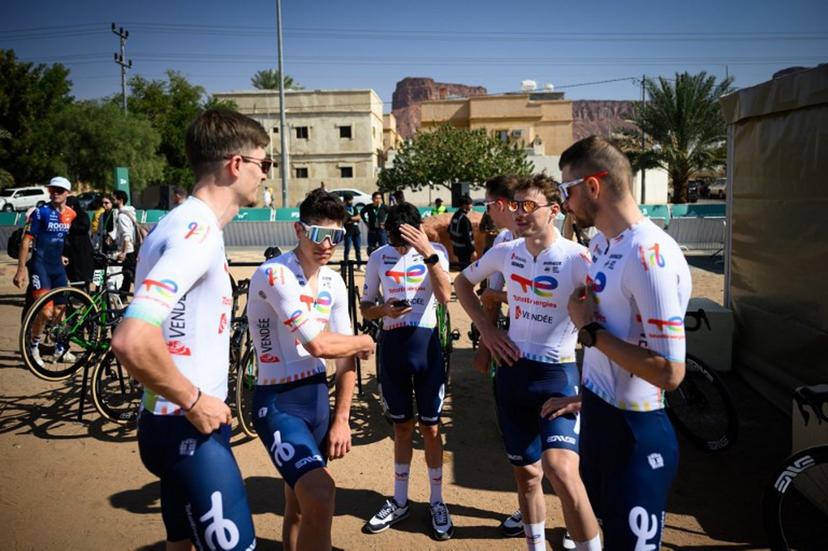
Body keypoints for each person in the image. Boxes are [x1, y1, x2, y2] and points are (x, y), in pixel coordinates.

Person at [111, 109, 272, 551]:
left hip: (163, 422)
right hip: (190, 427)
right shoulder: (196, 232)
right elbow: (131, 338)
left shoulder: (173, 223)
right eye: (265, 164)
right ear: (236, 164)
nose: (265, 176)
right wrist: (194, 400)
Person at [454, 175, 601, 551]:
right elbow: (461, 284)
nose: (519, 212)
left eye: (529, 205)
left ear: (554, 211)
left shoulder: (577, 258)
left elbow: (610, 322)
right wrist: (487, 332)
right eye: (516, 205)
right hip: (512, 376)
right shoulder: (506, 251)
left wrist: (590, 394)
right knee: (527, 476)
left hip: (557, 377)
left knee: (563, 472)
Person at [558, 136, 690, 549]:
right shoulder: (601, 244)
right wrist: (584, 396)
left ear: (593, 186)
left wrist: (590, 332)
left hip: (637, 430)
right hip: (600, 413)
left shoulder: (649, 254)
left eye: (567, 190)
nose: (565, 203)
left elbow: (670, 372)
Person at [247, 189, 375, 551]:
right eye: (319, 234)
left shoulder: (334, 282)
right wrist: (364, 342)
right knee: (320, 493)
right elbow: (319, 345)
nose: (328, 244)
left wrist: (342, 418)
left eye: (336, 236)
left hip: (317, 400)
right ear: (299, 230)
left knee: (300, 506)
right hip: (278, 403)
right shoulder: (275, 274)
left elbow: (344, 358)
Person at [360, 202, 454, 540]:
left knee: (430, 429)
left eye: (406, 241)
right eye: (395, 241)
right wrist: (384, 309)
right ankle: (399, 501)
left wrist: (427, 252)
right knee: (401, 428)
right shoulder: (378, 257)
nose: (400, 249)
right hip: (394, 348)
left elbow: (444, 296)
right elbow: (367, 307)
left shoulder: (435, 251)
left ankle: (437, 501)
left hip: (427, 347)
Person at [13, 176, 77, 365]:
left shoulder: (71, 214)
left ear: (68, 193)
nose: (55, 193)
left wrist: (60, 256)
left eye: (59, 190)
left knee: (60, 310)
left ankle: (59, 347)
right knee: (46, 312)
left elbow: (58, 238)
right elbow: (26, 241)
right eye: (52, 190)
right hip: (39, 265)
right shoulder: (40, 212)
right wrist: (20, 270)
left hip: (57, 267)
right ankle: (34, 346)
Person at [63, 196, 95, 288]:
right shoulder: (66, 216)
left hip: (83, 249)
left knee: (87, 273)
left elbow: (84, 228)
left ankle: (91, 292)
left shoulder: (82, 215)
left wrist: (70, 226)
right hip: (72, 249)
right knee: (74, 272)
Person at [112, 190, 138, 295]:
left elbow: (126, 236)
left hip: (128, 250)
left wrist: (124, 252)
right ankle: (124, 294)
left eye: (113, 199)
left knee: (131, 274)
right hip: (128, 250)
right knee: (128, 273)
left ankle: (137, 294)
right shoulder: (125, 213)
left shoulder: (122, 216)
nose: (111, 201)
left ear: (120, 200)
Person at [448, 194, 474, 270]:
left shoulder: (455, 215)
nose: (471, 206)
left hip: (457, 248)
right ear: (464, 205)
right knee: (466, 269)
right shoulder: (464, 219)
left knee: (462, 267)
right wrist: (472, 250)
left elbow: (450, 230)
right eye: (470, 204)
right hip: (465, 250)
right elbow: (467, 237)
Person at [342, 194, 363, 269]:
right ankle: (345, 264)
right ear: (345, 201)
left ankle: (359, 265)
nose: (351, 201)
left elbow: (359, 217)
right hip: (348, 232)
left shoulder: (354, 208)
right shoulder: (343, 209)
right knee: (347, 249)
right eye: (349, 200)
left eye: (351, 200)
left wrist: (351, 218)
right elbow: (344, 219)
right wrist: (353, 218)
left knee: (358, 249)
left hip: (356, 231)